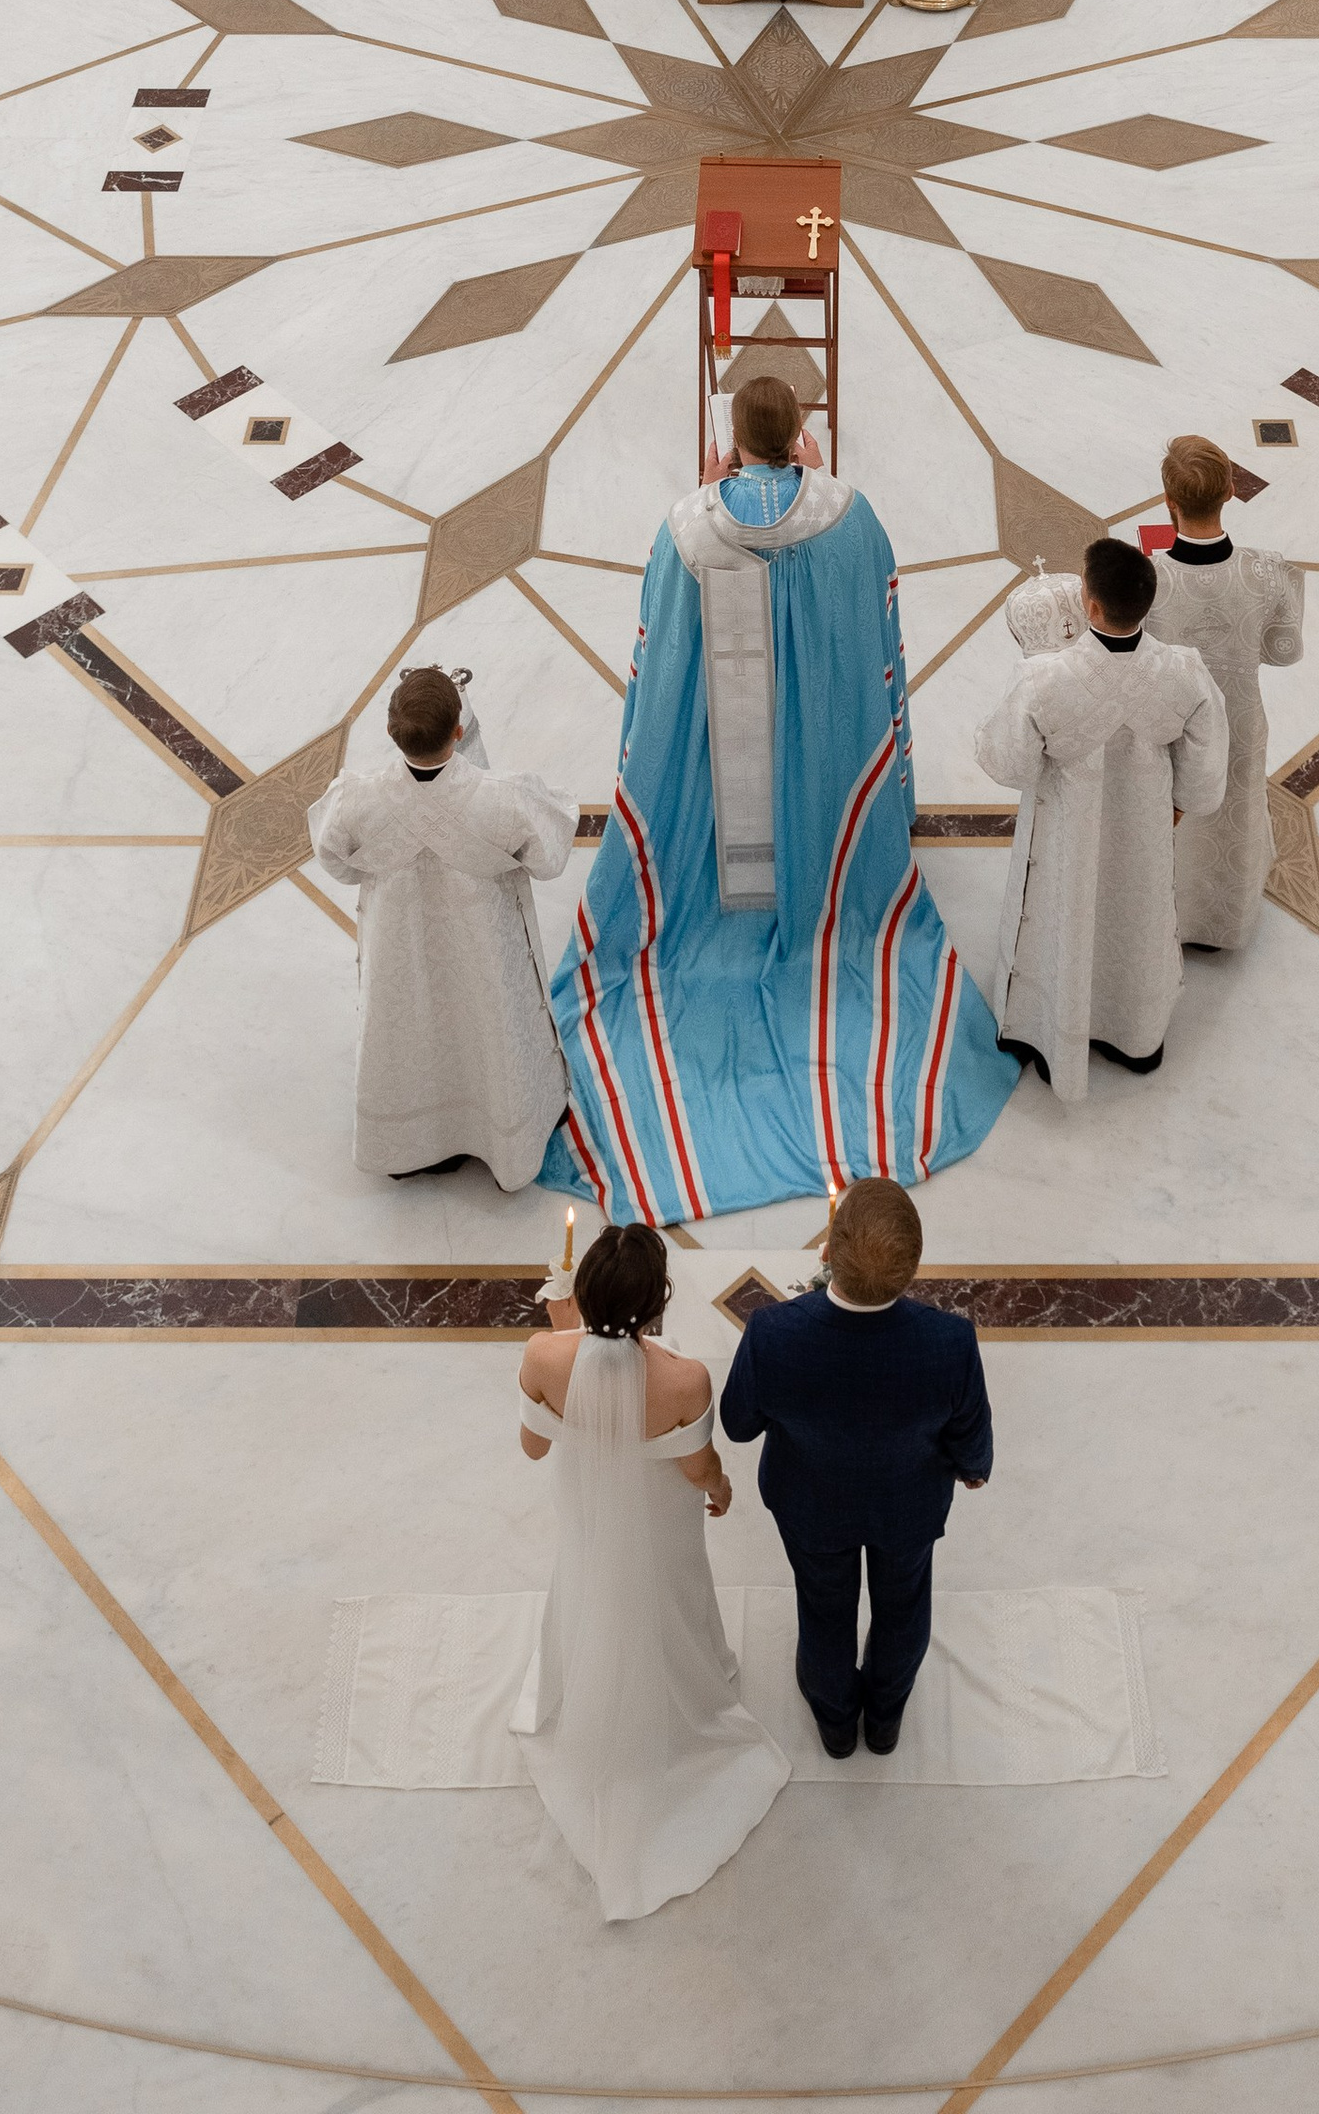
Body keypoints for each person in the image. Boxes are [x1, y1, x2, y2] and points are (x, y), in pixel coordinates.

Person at [537, 376, 1019, 1223]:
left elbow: (664, 654)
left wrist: (709, 493)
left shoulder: (689, 527)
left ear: (731, 443)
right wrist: (823, 485)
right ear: (800, 437)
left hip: (712, 769)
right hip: (821, 749)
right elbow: (874, 628)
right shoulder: (849, 515)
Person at [514, 1221, 789, 1919]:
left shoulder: (544, 1354)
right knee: (671, 1591)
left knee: (588, 1579)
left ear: (583, 1291)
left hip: (587, 1506)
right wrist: (722, 1490)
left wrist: (561, 1333)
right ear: (658, 1301)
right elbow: (697, 1468)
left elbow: (534, 1450)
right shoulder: (685, 1378)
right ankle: (680, 1680)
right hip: (660, 1516)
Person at [718, 1173, 990, 1758]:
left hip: (811, 1506)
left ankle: (836, 1722)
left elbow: (738, 1425)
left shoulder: (773, 1334)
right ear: (912, 1265)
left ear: (829, 1251)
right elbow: (970, 1433)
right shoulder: (951, 1342)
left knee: (823, 1608)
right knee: (904, 1605)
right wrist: (973, 1466)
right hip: (908, 1510)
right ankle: (886, 1718)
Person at [975, 534, 1228, 1095]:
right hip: (1142, 824)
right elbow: (1207, 771)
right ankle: (1134, 1035)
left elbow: (1006, 761)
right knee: (1135, 916)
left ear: (1089, 605)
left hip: (1065, 829)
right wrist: (1181, 804)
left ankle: (1050, 1033)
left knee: (1060, 912)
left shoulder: (1043, 679)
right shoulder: (1184, 670)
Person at [308, 666, 574, 1187]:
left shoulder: (354, 800)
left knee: (408, 1028)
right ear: (460, 731)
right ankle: (505, 1141)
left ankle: (415, 1146)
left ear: (391, 733)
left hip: (397, 943)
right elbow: (550, 856)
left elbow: (337, 864)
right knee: (491, 1024)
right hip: (487, 948)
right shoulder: (506, 796)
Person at [1146, 432, 1307, 951]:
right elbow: (1283, 651)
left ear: (1168, 503)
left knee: (1175, 816)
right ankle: (1224, 924)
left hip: (1173, 725)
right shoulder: (1267, 569)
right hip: (1239, 719)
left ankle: (1166, 916)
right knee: (1233, 814)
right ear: (1232, 490)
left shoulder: (1149, 576)